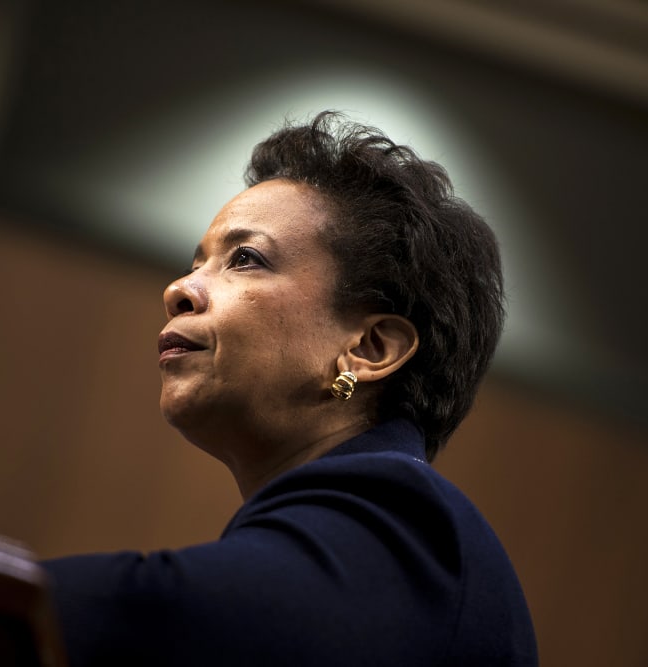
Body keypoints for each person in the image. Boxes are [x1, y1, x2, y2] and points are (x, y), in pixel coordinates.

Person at [42, 111, 538, 666]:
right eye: (196, 263)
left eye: (245, 259)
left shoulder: (407, 519)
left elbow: (148, 615)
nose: (179, 290)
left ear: (369, 350)